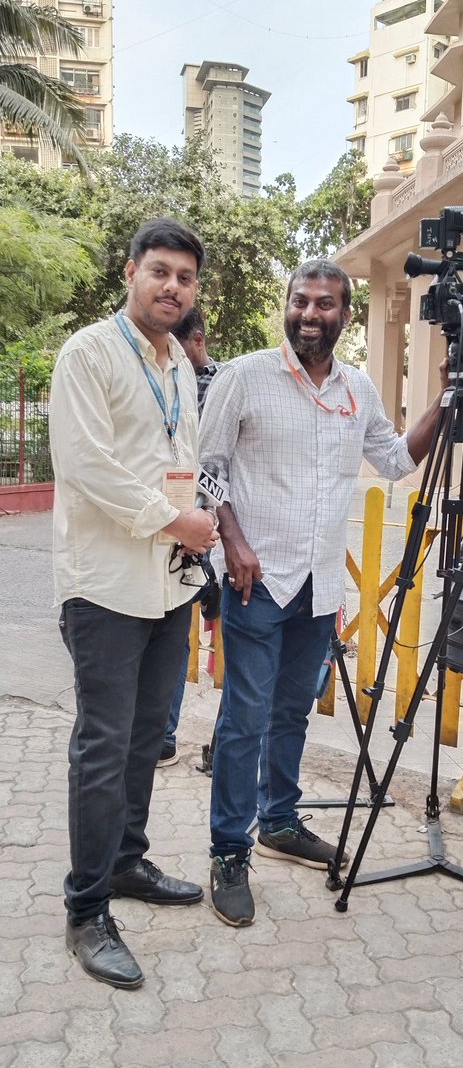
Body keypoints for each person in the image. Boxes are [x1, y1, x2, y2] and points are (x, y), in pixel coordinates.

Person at [199, 257, 448, 928]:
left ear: (344, 313)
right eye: (300, 302)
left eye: (325, 305)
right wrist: (232, 540)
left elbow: (394, 461)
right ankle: (228, 852)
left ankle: (278, 821)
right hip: (257, 581)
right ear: (287, 304)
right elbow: (204, 467)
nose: (310, 314)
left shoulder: (358, 389)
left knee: (290, 715)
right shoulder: (243, 377)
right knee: (243, 721)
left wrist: (443, 401)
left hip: (316, 587)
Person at [49, 217, 219, 988]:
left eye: (183, 278)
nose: (171, 287)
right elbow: (86, 465)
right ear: (129, 273)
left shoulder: (180, 362)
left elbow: (176, 456)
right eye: (159, 272)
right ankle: (86, 910)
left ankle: (126, 864)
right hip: (107, 586)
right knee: (104, 744)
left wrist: (196, 520)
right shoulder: (88, 352)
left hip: (167, 584)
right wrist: (172, 519)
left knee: (150, 735)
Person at [157, 306, 220, 766]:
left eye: (177, 347)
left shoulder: (218, 385)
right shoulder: (159, 378)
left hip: (212, 535)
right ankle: (161, 734)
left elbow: (216, 466)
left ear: (195, 341)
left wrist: (201, 519)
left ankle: (215, 744)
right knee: (173, 636)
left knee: (212, 639)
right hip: (167, 525)